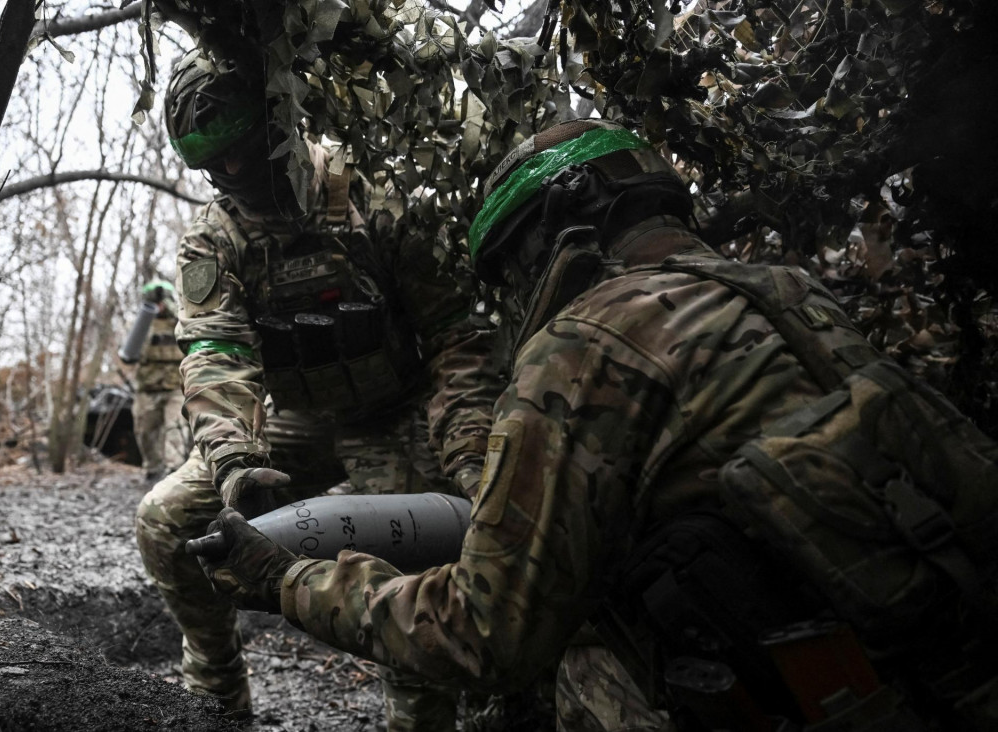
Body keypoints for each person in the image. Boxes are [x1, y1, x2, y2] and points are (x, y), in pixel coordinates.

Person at [198, 119, 998, 731]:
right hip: (952, 674)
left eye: (513, 267)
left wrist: (285, 581)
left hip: (836, 697)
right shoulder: (789, 291)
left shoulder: (587, 341)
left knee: (580, 654)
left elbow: (484, 634)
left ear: (559, 232)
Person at [134, 48, 503, 726]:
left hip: (397, 416)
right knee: (167, 523)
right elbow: (215, 356)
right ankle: (215, 693)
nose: (232, 173)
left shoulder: (376, 200)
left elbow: (458, 338)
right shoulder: (217, 240)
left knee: (423, 576)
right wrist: (236, 465)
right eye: (212, 164)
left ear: (278, 119)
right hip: (293, 424)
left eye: (242, 150)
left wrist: (469, 453)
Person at [126, 279, 190, 482]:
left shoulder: (182, 323)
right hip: (148, 388)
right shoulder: (141, 325)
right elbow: (128, 355)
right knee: (145, 433)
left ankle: (175, 473)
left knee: (176, 430)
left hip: (175, 388)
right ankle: (153, 469)